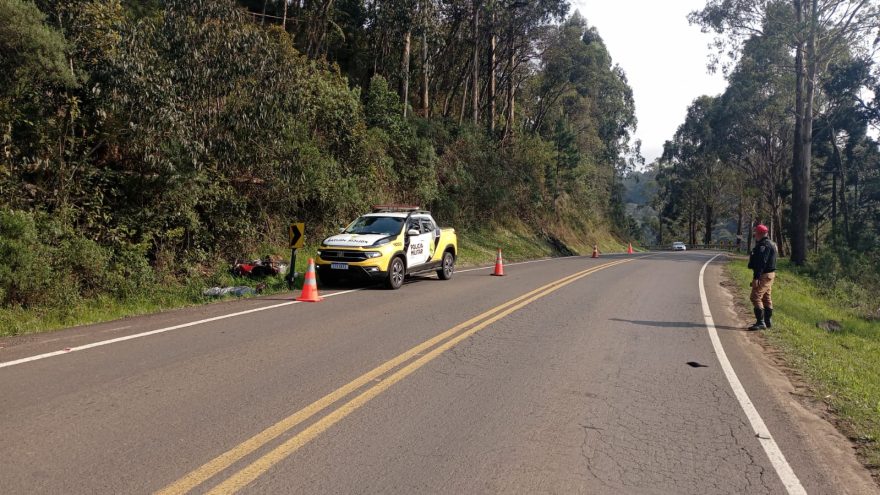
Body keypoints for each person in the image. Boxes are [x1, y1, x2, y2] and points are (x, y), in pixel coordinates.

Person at [747, 224, 777, 330]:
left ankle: (761, 322)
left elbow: (761, 262)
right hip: (770, 275)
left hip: (764, 275)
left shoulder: (764, 245)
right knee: (766, 297)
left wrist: (756, 277)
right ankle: (768, 321)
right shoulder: (772, 244)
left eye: (756, 233)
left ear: (759, 234)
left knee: (755, 296)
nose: (755, 235)